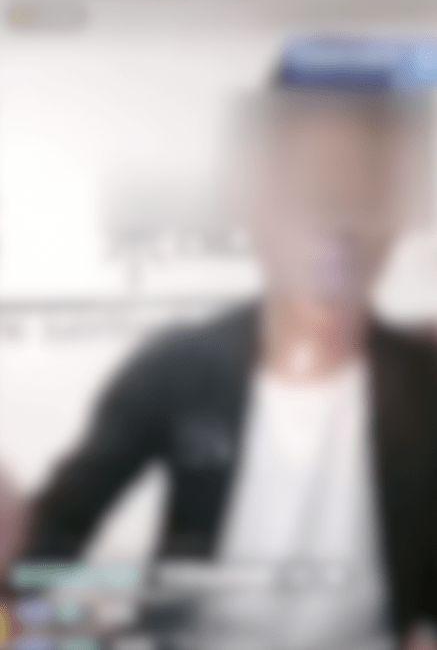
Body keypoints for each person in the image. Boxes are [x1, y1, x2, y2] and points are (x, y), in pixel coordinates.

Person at [19, 38, 437, 648]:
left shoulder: (424, 381)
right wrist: (65, 628)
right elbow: (48, 546)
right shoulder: (174, 369)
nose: (336, 220)